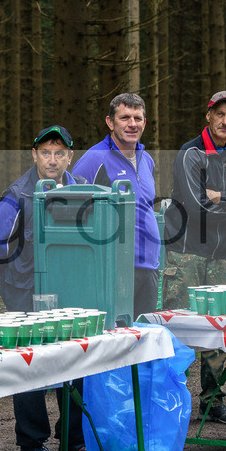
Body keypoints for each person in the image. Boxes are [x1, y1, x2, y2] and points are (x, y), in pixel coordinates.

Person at [0, 125, 87, 451]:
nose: (52, 160)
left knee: (76, 360)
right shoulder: (19, 193)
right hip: (27, 294)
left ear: (69, 157)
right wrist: (14, 275)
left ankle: (73, 441)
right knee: (31, 367)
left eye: (59, 153)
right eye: (46, 152)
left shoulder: (79, 191)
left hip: (70, 291)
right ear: (34, 154)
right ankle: (31, 447)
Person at [163, 91, 226, 424]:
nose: (225, 121)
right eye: (220, 114)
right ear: (208, 115)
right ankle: (166, 397)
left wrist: (221, 196)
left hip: (221, 256)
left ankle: (213, 400)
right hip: (186, 254)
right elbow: (196, 208)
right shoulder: (191, 154)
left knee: (220, 329)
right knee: (179, 328)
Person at [71, 92, 161, 319]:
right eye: (125, 118)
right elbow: (74, 213)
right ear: (110, 122)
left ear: (145, 123)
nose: (132, 124)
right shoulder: (94, 159)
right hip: (113, 270)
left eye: (138, 118)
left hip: (149, 267)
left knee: (145, 339)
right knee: (116, 338)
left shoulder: (147, 160)